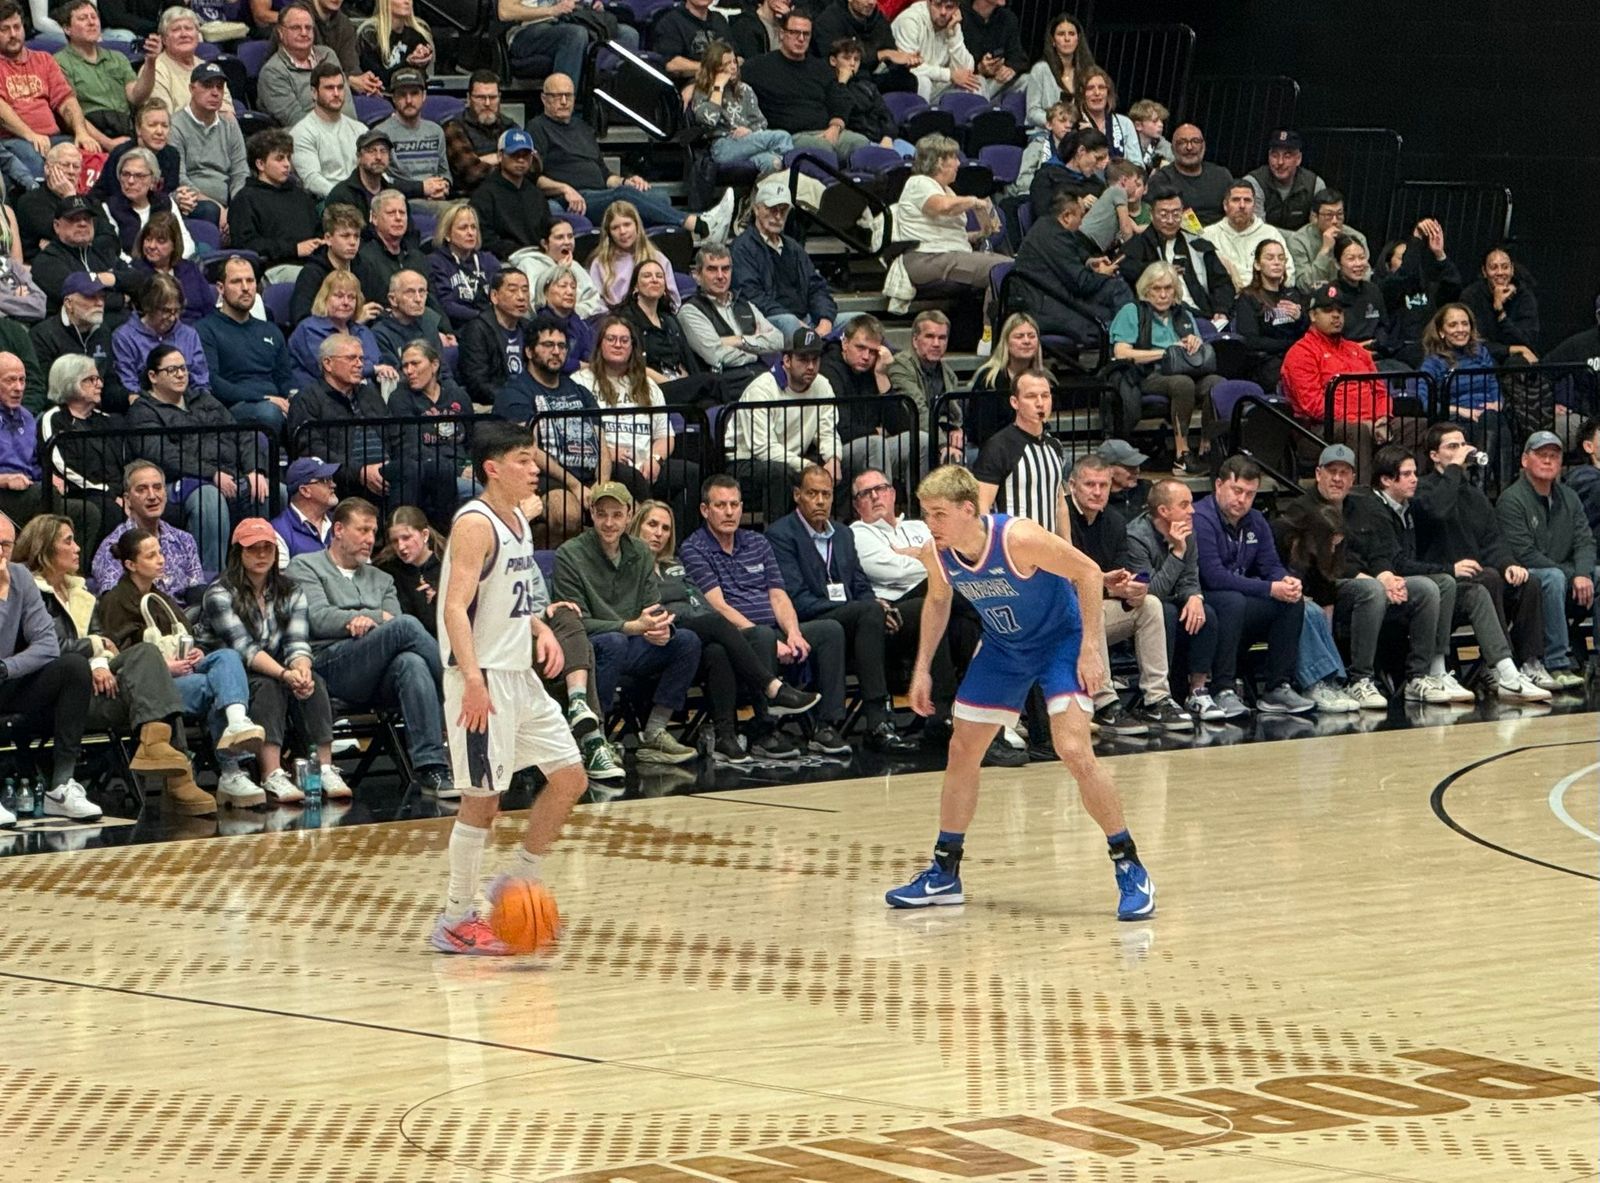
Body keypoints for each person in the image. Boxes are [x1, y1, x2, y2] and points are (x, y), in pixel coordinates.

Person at [882, 463, 1154, 918]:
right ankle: (945, 872)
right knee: (962, 749)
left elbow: (1087, 573)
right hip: (1006, 647)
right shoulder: (940, 550)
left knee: (1073, 750)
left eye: (938, 513)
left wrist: (1090, 648)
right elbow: (937, 599)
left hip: (1060, 642)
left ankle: (1130, 865)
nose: (930, 523)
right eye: (926, 513)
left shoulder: (1018, 538)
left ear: (968, 510)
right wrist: (922, 669)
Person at [15, 512, 207, 818]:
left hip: (97, 685)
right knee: (150, 678)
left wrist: (100, 663)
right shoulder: (29, 593)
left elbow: (105, 642)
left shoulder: (82, 593)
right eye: (68, 541)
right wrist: (93, 658)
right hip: (52, 693)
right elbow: (46, 650)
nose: (78, 548)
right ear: (45, 549)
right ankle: (179, 775)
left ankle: (159, 748)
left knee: (147, 654)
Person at [679, 472, 853, 757]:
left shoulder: (757, 542)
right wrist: (772, 640)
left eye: (735, 505)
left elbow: (778, 595)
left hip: (775, 628)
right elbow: (718, 605)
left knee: (830, 629)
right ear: (704, 510)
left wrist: (793, 633)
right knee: (760, 634)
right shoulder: (694, 549)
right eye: (721, 505)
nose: (729, 512)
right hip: (738, 635)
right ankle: (765, 729)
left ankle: (825, 726)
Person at [634, 497, 816, 765]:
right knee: (718, 623)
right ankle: (772, 687)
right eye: (652, 525)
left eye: (666, 528)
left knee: (720, 649)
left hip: (692, 633)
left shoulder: (673, 566)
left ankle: (725, 737)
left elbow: (698, 601)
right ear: (637, 526)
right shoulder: (630, 568)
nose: (659, 533)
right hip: (657, 634)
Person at [99, 526, 269, 807]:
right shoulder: (114, 601)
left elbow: (187, 635)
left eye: (160, 552)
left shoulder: (162, 597)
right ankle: (230, 771)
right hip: (153, 687)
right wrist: (166, 667)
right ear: (130, 564)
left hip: (184, 670)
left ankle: (237, 723)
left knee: (227, 657)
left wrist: (196, 653)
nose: (161, 559)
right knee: (213, 688)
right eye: (151, 555)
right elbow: (124, 659)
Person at [289, 496, 449, 793]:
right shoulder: (305, 566)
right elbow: (318, 618)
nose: (370, 539)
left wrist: (370, 622)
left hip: (375, 671)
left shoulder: (382, 577)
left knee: (411, 663)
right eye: (362, 530)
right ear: (338, 530)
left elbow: (396, 624)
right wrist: (371, 616)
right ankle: (457, 685)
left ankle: (432, 768)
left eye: (373, 532)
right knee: (406, 627)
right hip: (330, 664)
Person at [766, 464, 917, 752]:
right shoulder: (781, 534)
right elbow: (795, 597)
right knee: (865, 613)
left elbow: (860, 585)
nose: (820, 501)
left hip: (850, 619)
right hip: (807, 618)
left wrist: (873, 605)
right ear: (797, 495)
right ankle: (876, 719)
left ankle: (896, 719)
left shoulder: (844, 535)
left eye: (826, 494)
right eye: (812, 494)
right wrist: (861, 608)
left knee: (879, 610)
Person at [552, 479, 703, 765]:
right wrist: (630, 627)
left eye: (617, 514)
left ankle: (655, 732)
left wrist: (661, 628)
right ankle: (595, 737)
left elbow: (652, 606)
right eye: (602, 514)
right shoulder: (570, 554)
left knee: (686, 640)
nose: (609, 523)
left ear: (629, 515)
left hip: (634, 641)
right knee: (614, 642)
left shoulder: (641, 551)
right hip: (592, 649)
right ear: (591, 514)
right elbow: (575, 624)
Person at [202, 518, 349, 804]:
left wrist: (301, 670)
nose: (261, 555)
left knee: (313, 681)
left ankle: (326, 768)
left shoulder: (291, 590)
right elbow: (244, 649)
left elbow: (297, 641)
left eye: (266, 548)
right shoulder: (219, 593)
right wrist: (284, 674)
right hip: (230, 673)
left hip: (276, 665)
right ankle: (272, 773)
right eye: (252, 549)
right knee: (268, 687)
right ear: (238, 554)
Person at [1312, 443, 1467, 709]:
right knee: (1371, 590)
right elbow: (1320, 563)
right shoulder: (1305, 509)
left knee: (1427, 588)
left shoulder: (1364, 506)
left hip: (1370, 579)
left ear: (1353, 477)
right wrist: (1372, 578)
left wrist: (1385, 574)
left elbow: (1380, 551)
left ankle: (1420, 676)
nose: (1337, 479)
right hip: (1329, 585)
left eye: (1344, 472)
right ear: (1318, 474)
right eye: (1332, 472)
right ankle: (1360, 678)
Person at [1413, 423, 1559, 700]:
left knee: (1529, 581)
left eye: (1462, 444)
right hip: (1443, 580)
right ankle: (1500, 666)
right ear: (1434, 455)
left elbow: (1493, 540)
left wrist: (1509, 564)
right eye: (1451, 446)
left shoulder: (1474, 495)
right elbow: (1439, 512)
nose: (1461, 451)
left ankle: (1530, 662)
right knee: (1489, 578)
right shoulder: (1424, 489)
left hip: (1479, 576)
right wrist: (1454, 469)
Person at [1064, 454, 1191, 732]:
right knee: (1091, 605)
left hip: (1098, 608)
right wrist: (1103, 585)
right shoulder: (1061, 517)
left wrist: (1130, 588)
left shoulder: (1115, 521)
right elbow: (1063, 581)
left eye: (1103, 485)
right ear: (1072, 485)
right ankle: (1105, 703)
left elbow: (1120, 573)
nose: (1097, 492)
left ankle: (1157, 699)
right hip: (1064, 616)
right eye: (1090, 485)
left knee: (1150, 604)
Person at [126, 340, 271, 578]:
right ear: (153, 376)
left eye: (184, 368)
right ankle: (211, 579)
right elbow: (162, 455)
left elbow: (242, 435)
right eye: (172, 370)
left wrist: (255, 470)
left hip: (228, 474)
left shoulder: (204, 400)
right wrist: (210, 474)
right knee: (209, 498)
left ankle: (258, 575)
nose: (181, 374)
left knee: (271, 490)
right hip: (181, 482)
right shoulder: (144, 411)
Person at [531, 73, 732, 241]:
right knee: (624, 198)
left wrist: (626, 180)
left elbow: (605, 175)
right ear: (543, 99)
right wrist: (565, 189)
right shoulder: (537, 127)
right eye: (557, 96)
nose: (564, 102)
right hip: (575, 200)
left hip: (600, 193)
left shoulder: (583, 128)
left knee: (658, 197)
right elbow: (533, 177)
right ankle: (698, 224)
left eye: (568, 95)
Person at [1191, 455, 1314, 716]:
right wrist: (1270, 589)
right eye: (1237, 491)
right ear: (1218, 485)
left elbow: (1270, 566)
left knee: (1290, 603)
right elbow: (1213, 576)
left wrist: (1285, 581)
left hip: (1242, 597)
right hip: (1204, 597)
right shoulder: (1201, 518)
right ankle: (1223, 688)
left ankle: (1278, 687)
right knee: (1232, 601)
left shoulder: (1256, 520)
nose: (1242, 500)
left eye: (1250, 494)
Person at [0, 510, 96, 829]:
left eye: (6, 545)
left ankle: (61, 786)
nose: (2, 552)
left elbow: (47, 645)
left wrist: (6, 667)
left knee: (73, 666)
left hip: (8, 680)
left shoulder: (21, 578)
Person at [1496, 431, 1597, 687]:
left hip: (1568, 573)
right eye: (1541, 455)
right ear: (1524, 460)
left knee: (1597, 573)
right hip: (1527, 577)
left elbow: (1585, 541)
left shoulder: (1569, 497)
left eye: (1554, 455)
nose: (1549, 461)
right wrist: (1574, 575)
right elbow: (1524, 553)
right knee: (1553, 578)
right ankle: (1557, 662)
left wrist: (1583, 573)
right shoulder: (1511, 500)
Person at [1122, 477, 1227, 722]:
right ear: (1163, 511)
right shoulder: (1135, 538)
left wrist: (1194, 597)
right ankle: (1160, 696)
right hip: (1143, 607)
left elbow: (1190, 577)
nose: (1192, 510)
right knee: (1163, 611)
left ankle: (1198, 691)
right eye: (1185, 504)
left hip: (1174, 598)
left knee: (1206, 613)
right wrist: (1177, 552)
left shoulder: (1187, 530)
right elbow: (1151, 592)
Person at [1282, 283, 1416, 472]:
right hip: (1318, 430)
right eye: (1328, 310)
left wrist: (1382, 419)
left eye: (1340, 311)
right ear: (1313, 315)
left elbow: (1379, 391)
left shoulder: (1357, 351)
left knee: (1414, 426)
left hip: (1370, 422)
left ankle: (1405, 490)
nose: (1336, 315)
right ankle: (1360, 495)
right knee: (1356, 431)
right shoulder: (1301, 353)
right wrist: (1363, 422)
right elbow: (1313, 404)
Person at [493, 314, 598, 547]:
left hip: (589, 473)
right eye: (548, 345)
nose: (557, 351)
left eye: (562, 346)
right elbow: (527, 446)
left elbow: (601, 439)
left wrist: (603, 483)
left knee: (633, 506)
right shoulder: (515, 393)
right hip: (543, 476)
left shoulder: (579, 390)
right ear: (529, 352)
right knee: (566, 512)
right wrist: (574, 485)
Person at [1108, 262, 1219, 476]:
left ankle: (1207, 446)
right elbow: (1121, 353)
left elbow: (1193, 348)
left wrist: (1194, 344)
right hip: (1148, 373)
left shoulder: (1183, 315)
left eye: (1168, 288)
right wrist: (1166, 352)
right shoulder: (1132, 311)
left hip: (1186, 369)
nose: (1163, 295)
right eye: (1156, 289)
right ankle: (1182, 454)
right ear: (1146, 290)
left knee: (1217, 384)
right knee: (1182, 384)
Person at [726, 327, 839, 521]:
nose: (811, 366)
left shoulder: (823, 385)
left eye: (815, 359)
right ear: (786, 360)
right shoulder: (761, 390)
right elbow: (762, 448)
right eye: (803, 360)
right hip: (744, 461)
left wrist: (833, 459)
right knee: (780, 473)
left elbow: (827, 430)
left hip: (792, 457)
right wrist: (808, 466)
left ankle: (832, 533)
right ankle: (777, 538)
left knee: (837, 470)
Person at [890, 133, 1009, 317]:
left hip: (946, 255)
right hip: (925, 258)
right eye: (954, 158)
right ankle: (990, 333)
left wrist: (979, 234)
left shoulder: (947, 190)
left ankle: (990, 328)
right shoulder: (919, 183)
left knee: (1007, 269)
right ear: (939, 162)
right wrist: (973, 201)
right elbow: (941, 207)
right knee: (1004, 269)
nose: (958, 164)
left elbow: (946, 233)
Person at [1010, 190, 1131, 349]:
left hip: (1060, 295)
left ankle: (1127, 346)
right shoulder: (1053, 236)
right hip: (1047, 306)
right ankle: (1127, 348)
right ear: (1067, 216)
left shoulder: (1049, 227)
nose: (1082, 222)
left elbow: (1073, 252)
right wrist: (1102, 274)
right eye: (1080, 216)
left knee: (1117, 290)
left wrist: (1089, 261)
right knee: (1110, 316)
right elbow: (1082, 283)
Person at [743, 9, 867, 164]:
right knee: (822, 150)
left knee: (861, 144)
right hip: (789, 137)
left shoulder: (820, 68)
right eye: (795, 32)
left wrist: (835, 127)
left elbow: (839, 98)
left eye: (806, 34)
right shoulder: (758, 67)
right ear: (782, 34)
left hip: (828, 131)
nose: (801, 39)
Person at [0, 0, 98, 182]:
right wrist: (30, 134)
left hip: (54, 138)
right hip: (14, 141)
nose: (13, 34)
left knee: (90, 158)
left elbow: (66, 100)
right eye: (4, 29)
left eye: (16, 27)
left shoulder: (44, 60)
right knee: (36, 163)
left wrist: (81, 132)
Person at [731, 176, 837, 339]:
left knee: (857, 322)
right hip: (771, 320)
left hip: (807, 318)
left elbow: (816, 286)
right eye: (772, 209)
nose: (778, 216)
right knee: (789, 324)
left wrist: (825, 319)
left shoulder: (794, 248)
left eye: (783, 210)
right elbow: (751, 295)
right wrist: (794, 321)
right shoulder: (743, 248)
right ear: (756, 209)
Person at [1116, 181, 1233, 321]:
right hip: (1164, 315)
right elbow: (1124, 267)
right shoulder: (1137, 245)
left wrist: (1221, 309)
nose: (1171, 221)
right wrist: (1162, 271)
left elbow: (1222, 282)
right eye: (1164, 214)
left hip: (1205, 314)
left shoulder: (1197, 243)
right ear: (1151, 214)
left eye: (1176, 214)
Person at [89, 458, 204, 597]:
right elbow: (116, 605)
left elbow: (196, 593)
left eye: (157, 487)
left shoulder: (185, 540)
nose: (152, 496)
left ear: (165, 494)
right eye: (142, 489)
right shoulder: (113, 547)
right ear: (127, 500)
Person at [53, 0, 157, 148]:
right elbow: (71, 113)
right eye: (83, 18)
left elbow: (136, 96)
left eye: (94, 17)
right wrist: (108, 143)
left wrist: (151, 62)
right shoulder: (59, 62)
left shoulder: (117, 57)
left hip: (125, 128)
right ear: (67, 29)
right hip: (91, 134)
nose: (91, 23)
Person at [37, 352, 123, 530]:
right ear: (70, 382)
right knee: (109, 511)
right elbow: (60, 465)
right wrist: (107, 492)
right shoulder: (53, 419)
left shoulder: (108, 421)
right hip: (80, 493)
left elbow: (124, 461)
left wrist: (128, 493)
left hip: (115, 493)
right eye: (91, 379)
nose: (99, 384)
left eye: (98, 378)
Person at [687, 41, 792, 176]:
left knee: (772, 162)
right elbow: (709, 121)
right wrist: (718, 87)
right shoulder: (702, 92)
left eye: (734, 62)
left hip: (749, 142)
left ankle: (751, 197)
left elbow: (761, 123)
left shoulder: (745, 90)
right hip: (722, 146)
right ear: (714, 68)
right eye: (727, 64)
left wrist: (749, 130)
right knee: (782, 137)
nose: (733, 67)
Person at [678, 242, 783, 376]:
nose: (721, 276)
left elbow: (778, 340)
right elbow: (716, 356)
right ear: (697, 275)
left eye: (726, 269)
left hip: (761, 376)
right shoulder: (690, 311)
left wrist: (740, 340)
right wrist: (757, 353)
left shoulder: (745, 305)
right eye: (712, 269)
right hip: (726, 384)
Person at [229, 128, 323, 276]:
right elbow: (246, 245)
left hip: (313, 265)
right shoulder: (245, 199)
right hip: (274, 268)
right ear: (260, 164)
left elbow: (318, 230)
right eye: (279, 158)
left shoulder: (300, 195)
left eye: (288, 158)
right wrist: (294, 249)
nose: (287, 164)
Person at [168, 58, 247, 219]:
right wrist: (218, 208)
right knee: (210, 210)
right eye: (207, 86)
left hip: (228, 203)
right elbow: (179, 177)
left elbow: (240, 172)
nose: (215, 92)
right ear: (192, 88)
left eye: (219, 87)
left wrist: (237, 207)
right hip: (191, 200)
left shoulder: (230, 124)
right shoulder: (175, 125)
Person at [616, 258, 705, 401]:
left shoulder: (669, 320)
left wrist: (684, 381)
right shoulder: (626, 319)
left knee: (710, 402)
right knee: (713, 383)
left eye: (659, 276)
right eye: (647, 276)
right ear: (635, 287)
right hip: (650, 388)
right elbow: (631, 365)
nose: (654, 280)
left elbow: (687, 360)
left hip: (678, 385)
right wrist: (672, 383)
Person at [287, 269, 389, 390]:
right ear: (325, 299)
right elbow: (330, 370)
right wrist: (372, 370)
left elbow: (379, 362)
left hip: (361, 395)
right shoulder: (309, 329)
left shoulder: (363, 331)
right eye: (339, 296)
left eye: (351, 297)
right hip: (318, 397)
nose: (346, 302)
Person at [1229, 239, 1307, 391]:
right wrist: (1290, 345)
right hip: (1265, 362)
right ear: (1257, 264)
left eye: (1281, 258)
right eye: (1270, 258)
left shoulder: (1293, 294)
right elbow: (1251, 341)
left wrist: (1300, 318)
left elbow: (1307, 332)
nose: (1277, 262)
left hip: (1296, 357)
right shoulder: (1248, 297)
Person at [886, 309, 963, 463]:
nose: (936, 344)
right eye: (929, 336)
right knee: (946, 455)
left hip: (935, 433)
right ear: (915, 340)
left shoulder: (948, 373)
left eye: (942, 338)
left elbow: (953, 412)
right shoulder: (900, 366)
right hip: (906, 437)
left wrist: (956, 429)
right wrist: (942, 443)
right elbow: (918, 410)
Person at [467, 127, 550, 264]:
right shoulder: (484, 195)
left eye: (526, 155)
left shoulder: (536, 194)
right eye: (514, 154)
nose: (521, 160)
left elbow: (547, 230)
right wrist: (517, 252)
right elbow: (484, 238)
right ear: (500, 156)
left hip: (539, 258)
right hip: (505, 262)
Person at [968, 310, 1046, 449]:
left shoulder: (1044, 379)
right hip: (994, 448)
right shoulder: (989, 379)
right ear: (1006, 343)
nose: (1026, 341)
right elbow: (984, 432)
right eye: (1019, 336)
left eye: (1031, 336)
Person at [256, 1, 339, 130]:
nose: (304, 33)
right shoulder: (272, 72)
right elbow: (296, 119)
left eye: (308, 27)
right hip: (301, 139)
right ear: (280, 33)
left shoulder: (328, 55)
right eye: (296, 28)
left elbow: (346, 105)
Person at [585, 199, 681, 312]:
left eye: (627, 224)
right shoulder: (600, 263)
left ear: (637, 226)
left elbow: (674, 302)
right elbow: (596, 305)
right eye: (615, 227)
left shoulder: (657, 258)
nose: (622, 231)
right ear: (609, 233)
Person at [456, 266, 527, 409]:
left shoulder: (529, 328)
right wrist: (512, 400)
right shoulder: (477, 330)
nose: (521, 296)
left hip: (527, 401)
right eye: (513, 290)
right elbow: (477, 383)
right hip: (491, 405)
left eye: (525, 290)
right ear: (494, 296)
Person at [1202, 180, 1293, 293]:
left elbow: (1289, 272)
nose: (1242, 205)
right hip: (1223, 302)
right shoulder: (1208, 236)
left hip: (1265, 300)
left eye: (1247, 200)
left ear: (1254, 206)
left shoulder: (1270, 233)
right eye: (1236, 200)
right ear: (1225, 205)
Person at [289, 61, 362, 200]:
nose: (336, 93)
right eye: (329, 88)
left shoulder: (359, 129)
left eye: (340, 88)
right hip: (328, 202)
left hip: (362, 199)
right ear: (314, 93)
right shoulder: (302, 133)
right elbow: (312, 180)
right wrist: (345, 198)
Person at [351, 189, 435, 309]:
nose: (398, 218)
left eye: (402, 213)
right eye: (391, 213)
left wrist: (443, 327)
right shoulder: (363, 259)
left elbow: (432, 300)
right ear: (374, 219)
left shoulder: (418, 258)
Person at [510, 216, 604, 322]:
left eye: (570, 236)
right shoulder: (529, 264)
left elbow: (594, 300)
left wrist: (576, 313)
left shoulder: (575, 265)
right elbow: (535, 305)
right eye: (560, 237)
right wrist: (559, 271)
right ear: (545, 243)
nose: (567, 242)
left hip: (583, 321)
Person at [146, 6, 234, 116]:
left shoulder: (209, 68)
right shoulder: (155, 70)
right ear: (164, 39)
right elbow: (164, 119)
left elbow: (228, 112)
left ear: (198, 35)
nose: (184, 34)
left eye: (188, 28)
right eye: (176, 30)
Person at [1460, 246, 1540, 364]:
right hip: (1483, 357)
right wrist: (1509, 350)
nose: (1500, 272)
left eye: (1505, 267)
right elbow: (1471, 341)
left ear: (1512, 270)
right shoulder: (1471, 296)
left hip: (1516, 360)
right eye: (1493, 267)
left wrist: (1500, 312)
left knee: (1517, 363)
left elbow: (1527, 341)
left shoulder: (1524, 296)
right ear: (1484, 272)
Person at [441, 69, 515, 196]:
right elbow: (472, 173)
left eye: (492, 97)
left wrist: (491, 160)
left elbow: (533, 165)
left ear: (499, 98)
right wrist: (510, 163)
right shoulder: (453, 127)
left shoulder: (509, 125)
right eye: (480, 97)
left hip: (508, 195)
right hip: (470, 199)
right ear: (469, 98)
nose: (487, 103)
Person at [890, 0, 980, 103]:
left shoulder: (952, 23)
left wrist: (953, 37)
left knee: (976, 84)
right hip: (904, 86)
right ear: (928, 2)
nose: (943, 12)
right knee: (923, 81)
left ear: (957, 9)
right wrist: (949, 75)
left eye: (949, 7)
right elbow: (907, 67)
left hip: (936, 85)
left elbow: (966, 70)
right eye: (938, 5)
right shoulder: (910, 20)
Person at [427, 201, 500, 328]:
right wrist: (482, 317)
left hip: (491, 327)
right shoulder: (436, 262)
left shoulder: (489, 261)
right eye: (463, 228)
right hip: (459, 327)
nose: (470, 233)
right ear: (447, 234)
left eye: (473, 227)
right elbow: (445, 304)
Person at [373, 504, 440, 634]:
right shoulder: (387, 570)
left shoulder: (447, 566)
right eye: (394, 541)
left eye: (406, 538)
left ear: (425, 535)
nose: (401, 546)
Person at [131, 212, 208, 323]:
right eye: (148, 239)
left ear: (174, 244)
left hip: (198, 331)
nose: (152, 246)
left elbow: (209, 308)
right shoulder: (135, 271)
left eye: (160, 241)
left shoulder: (190, 269)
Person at [1023, 13, 1093, 131]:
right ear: (1053, 41)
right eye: (1061, 34)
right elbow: (1032, 112)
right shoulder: (1040, 70)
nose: (1067, 39)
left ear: (1078, 39)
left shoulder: (1087, 72)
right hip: (1045, 135)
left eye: (1071, 34)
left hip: (1078, 136)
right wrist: (1056, 124)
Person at [1287, 189, 1367, 291]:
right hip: (1315, 299)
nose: (1335, 221)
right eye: (1329, 215)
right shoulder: (1298, 241)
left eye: (1339, 214)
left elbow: (1365, 277)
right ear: (1315, 216)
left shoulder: (1356, 238)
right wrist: (1325, 250)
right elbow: (1304, 285)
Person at [1244, 129, 1323, 233]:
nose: (1280, 162)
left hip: (1303, 246)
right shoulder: (1254, 182)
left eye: (1287, 156)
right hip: (1263, 244)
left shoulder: (1314, 184)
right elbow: (1256, 229)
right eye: (1275, 156)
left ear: (1298, 159)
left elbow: (1317, 230)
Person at [371, 267, 450, 367]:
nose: (418, 299)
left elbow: (443, 370)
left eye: (422, 292)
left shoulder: (429, 325)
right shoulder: (380, 334)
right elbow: (394, 377)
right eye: (410, 292)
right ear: (393, 299)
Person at [270, 455, 338, 564]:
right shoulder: (278, 530)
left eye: (331, 479)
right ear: (305, 491)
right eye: (325, 480)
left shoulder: (341, 522)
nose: (333, 485)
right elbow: (283, 579)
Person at [309, 0, 382, 96]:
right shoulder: (299, 19)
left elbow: (352, 67)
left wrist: (366, 82)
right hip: (308, 93)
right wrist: (348, 80)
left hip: (341, 93)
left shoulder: (344, 24)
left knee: (380, 104)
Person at [1164, 124, 1232, 227]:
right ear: (1173, 148)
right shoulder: (1162, 179)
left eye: (1195, 141)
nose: (1189, 147)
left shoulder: (1222, 175)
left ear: (1203, 146)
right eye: (1182, 142)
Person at [356, 0, 433, 87]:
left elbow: (422, 80)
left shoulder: (418, 33)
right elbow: (377, 78)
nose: (407, 1)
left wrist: (423, 60)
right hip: (380, 95)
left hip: (412, 93)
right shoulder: (369, 34)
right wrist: (408, 63)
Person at [1073, 67, 1141, 164]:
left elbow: (1137, 164)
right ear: (1082, 94)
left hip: (1121, 177)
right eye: (1090, 88)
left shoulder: (1125, 123)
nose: (1097, 93)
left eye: (1101, 87)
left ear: (1108, 92)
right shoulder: (1074, 123)